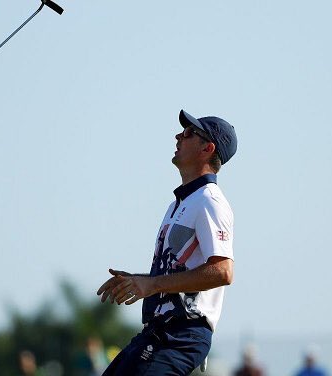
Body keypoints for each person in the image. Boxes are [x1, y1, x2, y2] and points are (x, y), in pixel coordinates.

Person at [96, 109, 238, 375]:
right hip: (160, 331)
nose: (178, 136)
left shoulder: (210, 200)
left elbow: (223, 271)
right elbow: (178, 271)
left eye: (188, 133)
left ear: (207, 148)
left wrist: (151, 284)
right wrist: (137, 280)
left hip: (182, 335)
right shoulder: (179, 204)